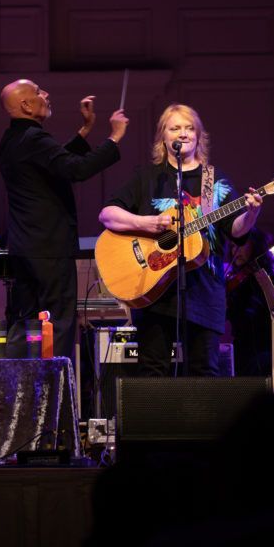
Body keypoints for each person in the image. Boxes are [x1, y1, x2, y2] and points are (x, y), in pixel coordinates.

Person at [99, 103, 262, 376]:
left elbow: (236, 230)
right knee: (152, 370)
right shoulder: (147, 177)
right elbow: (107, 215)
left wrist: (253, 212)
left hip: (205, 293)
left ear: (199, 136)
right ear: (163, 136)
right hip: (155, 291)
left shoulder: (215, 181)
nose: (183, 133)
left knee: (204, 372)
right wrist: (148, 223)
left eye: (189, 128)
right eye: (175, 128)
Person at [0, 79, 129, 357]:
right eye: (38, 92)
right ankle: (54, 392)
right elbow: (76, 169)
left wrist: (86, 129)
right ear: (25, 104)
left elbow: (54, 162)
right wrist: (114, 137)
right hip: (49, 248)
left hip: (25, 248)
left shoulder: (12, 139)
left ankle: (20, 389)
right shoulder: (34, 138)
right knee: (57, 322)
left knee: (27, 322)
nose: (46, 94)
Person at [225, 227, 274, 377]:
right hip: (243, 346)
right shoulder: (235, 278)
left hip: (263, 348)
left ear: (255, 246)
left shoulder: (265, 276)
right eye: (232, 246)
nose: (235, 251)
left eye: (241, 245)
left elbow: (259, 313)